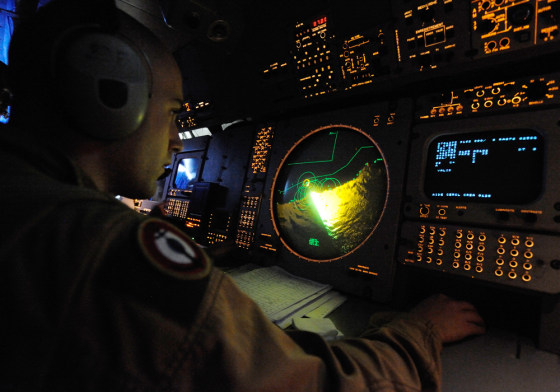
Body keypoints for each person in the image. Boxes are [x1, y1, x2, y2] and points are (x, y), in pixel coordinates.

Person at [0, 0, 485, 390]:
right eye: (173, 113)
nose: (175, 141)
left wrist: (209, 254)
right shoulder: (100, 245)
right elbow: (318, 384)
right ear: (110, 98)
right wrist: (420, 333)